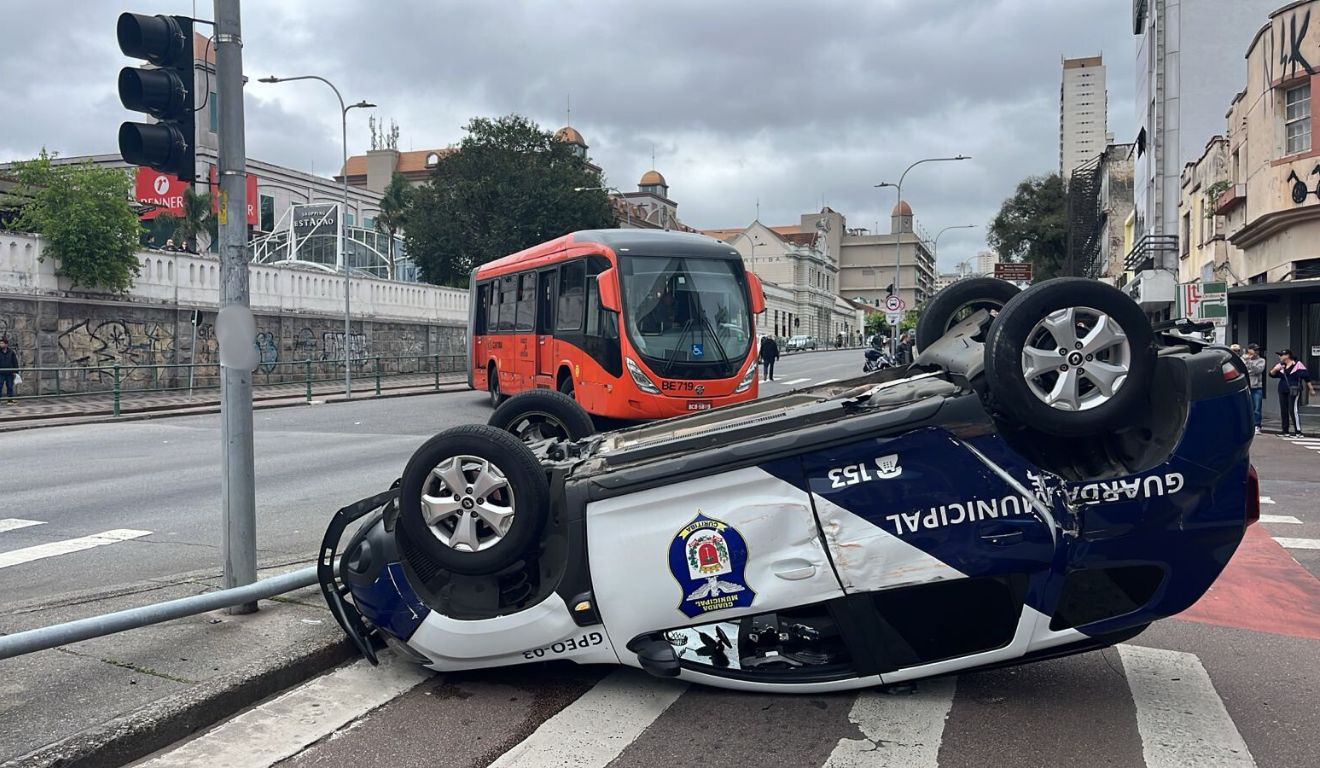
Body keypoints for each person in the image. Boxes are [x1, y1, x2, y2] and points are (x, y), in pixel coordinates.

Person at [1269, 349, 1313, 437]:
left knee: (1293, 410)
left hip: (1294, 390)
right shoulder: (1281, 366)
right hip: (1282, 390)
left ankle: (1298, 431)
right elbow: (1271, 374)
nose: (1280, 357)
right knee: (1283, 410)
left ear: (1288, 355)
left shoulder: (1298, 365)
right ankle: (1285, 431)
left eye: (1281, 355)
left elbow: (1306, 377)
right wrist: (1275, 369)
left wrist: (1311, 389)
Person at [1242, 344, 1266, 434]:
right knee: (1247, 408)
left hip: (1257, 387)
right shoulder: (1243, 359)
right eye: (1254, 350)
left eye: (1257, 350)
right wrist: (1247, 361)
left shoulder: (1261, 360)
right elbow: (1242, 370)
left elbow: (1258, 370)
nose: (1256, 352)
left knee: (1257, 408)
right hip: (1246, 386)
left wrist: (1250, 362)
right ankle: (1247, 426)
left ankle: (1257, 425)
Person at [0, 338, 17, 405]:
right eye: (0, 343)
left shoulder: (11, 352)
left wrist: (15, 371)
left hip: (9, 373)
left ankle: (9, 400)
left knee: (10, 386)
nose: (0, 344)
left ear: (6, 344)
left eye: (2, 343)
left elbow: (15, 362)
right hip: (0, 373)